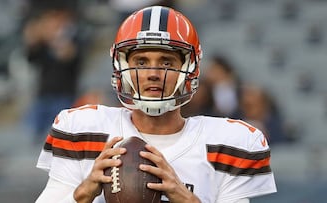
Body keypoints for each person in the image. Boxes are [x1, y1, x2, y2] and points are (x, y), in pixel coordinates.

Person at [36, 6, 277, 203]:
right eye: (141, 61)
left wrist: (184, 198)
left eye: (166, 62)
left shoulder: (227, 143)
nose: (153, 73)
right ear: (122, 67)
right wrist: (84, 193)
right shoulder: (82, 129)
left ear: (188, 69)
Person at [22, 3, 83, 143]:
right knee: (33, 135)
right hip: (43, 94)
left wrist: (52, 37)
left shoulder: (74, 37)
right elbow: (31, 58)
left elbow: (67, 55)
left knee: (59, 138)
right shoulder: (42, 44)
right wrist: (32, 40)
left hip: (64, 96)